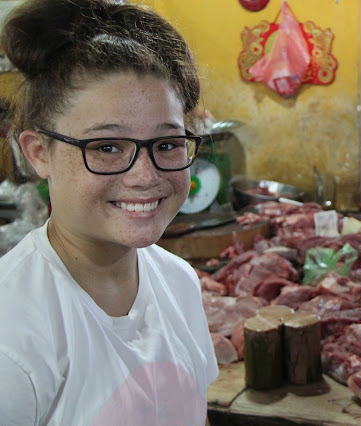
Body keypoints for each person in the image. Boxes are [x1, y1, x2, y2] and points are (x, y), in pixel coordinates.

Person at [0, 0, 218, 424]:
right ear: (39, 152)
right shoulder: (13, 333)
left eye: (167, 144)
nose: (145, 176)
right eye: (106, 147)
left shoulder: (178, 282)